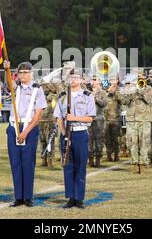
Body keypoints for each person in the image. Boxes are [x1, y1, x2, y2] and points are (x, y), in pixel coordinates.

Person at [3, 61, 47, 208]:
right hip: (14, 127)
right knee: (15, 163)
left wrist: (25, 131)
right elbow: (9, 84)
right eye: (20, 73)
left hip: (29, 127)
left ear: (31, 73)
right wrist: (7, 70)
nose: (22, 75)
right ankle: (18, 197)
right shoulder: (16, 87)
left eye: (25, 72)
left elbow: (38, 114)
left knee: (27, 164)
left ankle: (27, 197)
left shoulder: (37, 89)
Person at [54, 69, 96, 209]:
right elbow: (59, 117)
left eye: (77, 77)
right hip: (66, 134)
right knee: (68, 166)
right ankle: (70, 197)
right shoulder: (62, 96)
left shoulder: (87, 96)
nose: (73, 80)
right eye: (71, 77)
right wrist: (64, 133)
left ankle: (79, 198)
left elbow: (90, 118)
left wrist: (74, 118)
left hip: (80, 133)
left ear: (82, 80)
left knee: (80, 166)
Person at [88, 75, 107, 167]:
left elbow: (104, 104)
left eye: (95, 80)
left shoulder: (102, 92)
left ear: (99, 81)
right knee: (89, 139)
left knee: (99, 139)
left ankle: (98, 159)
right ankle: (90, 159)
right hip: (89, 119)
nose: (93, 81)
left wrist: (96, 98)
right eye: (92, 79)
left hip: (99, 119)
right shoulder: (88, 92)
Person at [104, 77, 122, 162]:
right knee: (107, 139)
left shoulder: (119, 91)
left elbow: (122, 101)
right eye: (111, 79)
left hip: (115, 119)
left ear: (117, 81)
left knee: (116, 139)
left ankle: (116, 155)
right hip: (106, 119)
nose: (112, 81)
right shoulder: (105, 89)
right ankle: (108, 155)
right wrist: (108, 91)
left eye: (114, 79)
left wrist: (115, 92)